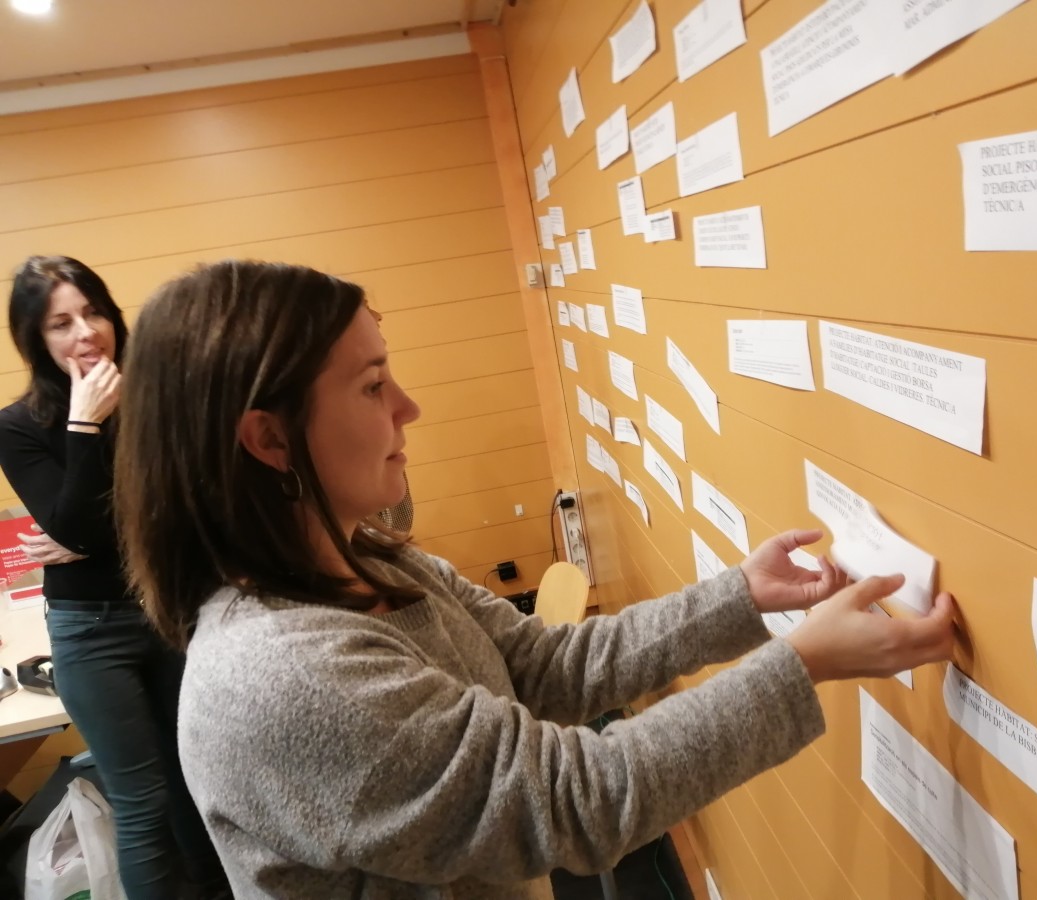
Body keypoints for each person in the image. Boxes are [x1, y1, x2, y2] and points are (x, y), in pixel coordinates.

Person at [113, 259, 957, 900]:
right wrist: (804, 662)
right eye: (372, 386)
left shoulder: (372, 557)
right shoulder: (284, 677)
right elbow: (576, 799)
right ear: (269, 440)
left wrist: (741, 598)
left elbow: (539, 666)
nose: (408, 407)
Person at [0, 256, 227, 900]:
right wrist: (85, 424)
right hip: (91, 629)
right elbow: (77, 530)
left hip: (175, 610)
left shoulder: (160, 398)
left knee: (200, 781)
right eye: (61, 323)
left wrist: (96, 533)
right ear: (37, 341)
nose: (85, 333)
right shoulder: (18, 425)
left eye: (93, 312)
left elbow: (201, 504)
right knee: (142, 800)